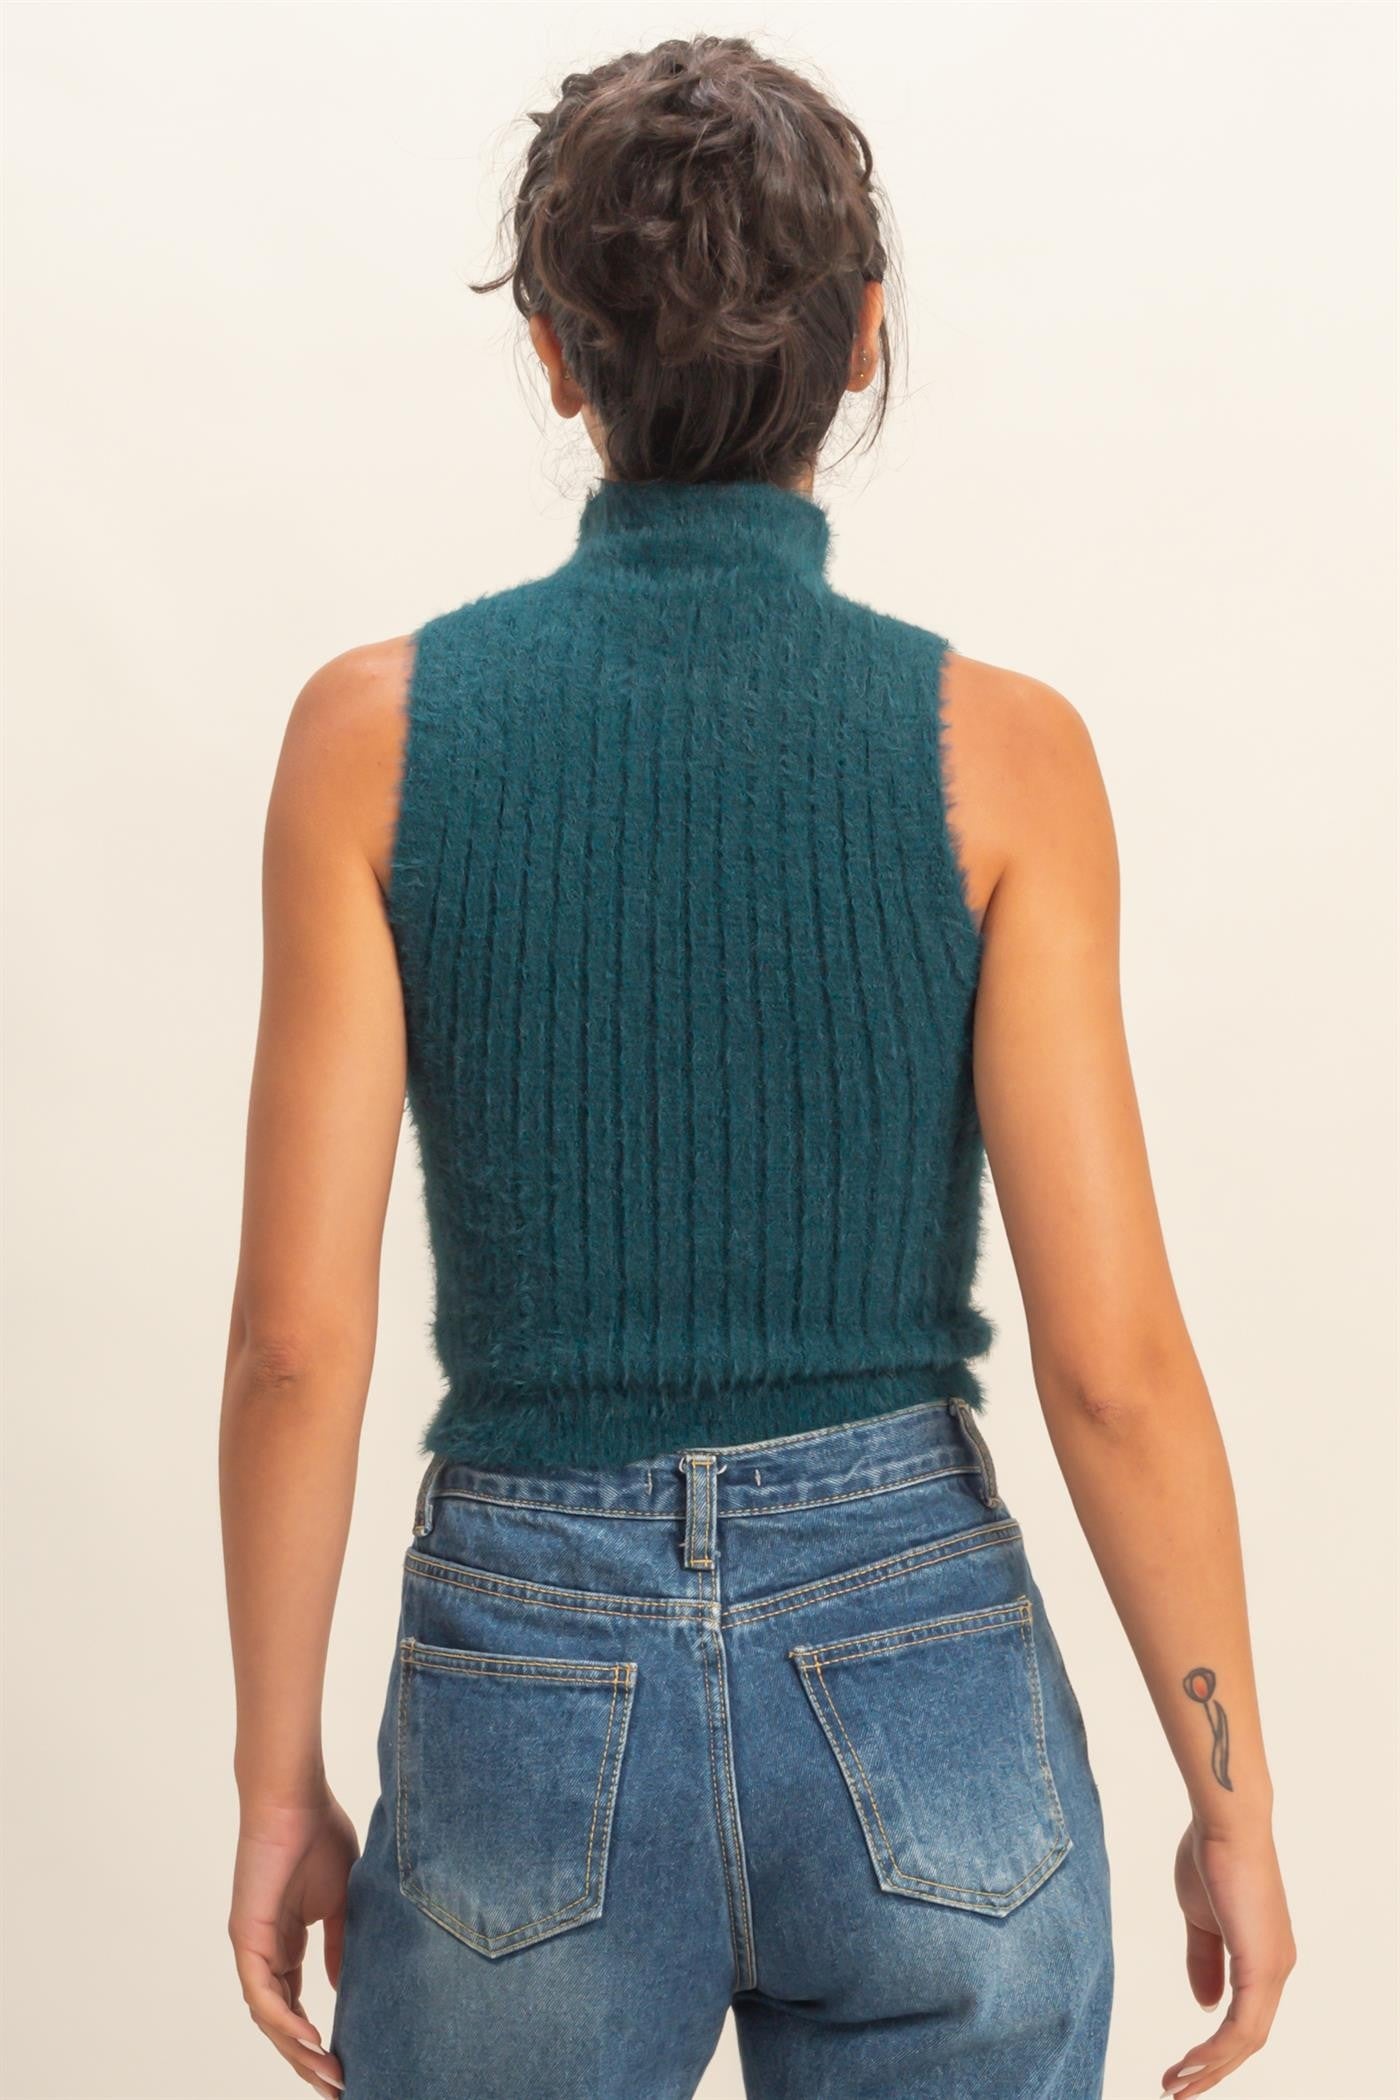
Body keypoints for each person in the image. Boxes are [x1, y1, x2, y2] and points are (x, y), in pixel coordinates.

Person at [219, 34, 1295, 2100]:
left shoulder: (372, 738)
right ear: (865, 339)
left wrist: (279, 1783)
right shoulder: (1007, 758)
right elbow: (1115, 1368)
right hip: (922, 1678)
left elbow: (292, 1346)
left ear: (556, 356)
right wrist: (1227, 1793)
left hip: (526, 1676)